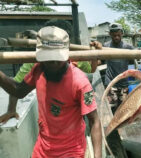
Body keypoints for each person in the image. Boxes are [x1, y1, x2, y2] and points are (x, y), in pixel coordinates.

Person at [0, 26, 102, 158]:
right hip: (43, 147)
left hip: (71, 150)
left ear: (66, 55)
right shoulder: (39, 69)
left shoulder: (80, 82)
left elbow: (94, 121)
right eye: (48, 59)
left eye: (57, 59)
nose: (53, 63)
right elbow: (19, 91)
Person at [0, 19, 99, 124]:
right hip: (51, 118)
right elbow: (17, 87)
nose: (54, 63)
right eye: (48, 61)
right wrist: (11, 110)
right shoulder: (35, 64)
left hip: (73, 118)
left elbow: (91, 69)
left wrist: (94, 54)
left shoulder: (76, 60)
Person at [104, 23, 134, 158]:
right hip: (110, 82)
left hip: (123, 83)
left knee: (122, 109)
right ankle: (114, 134)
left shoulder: (127, 47)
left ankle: (120, 131)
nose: (116, 36)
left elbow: (138, 54)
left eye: (118, 34)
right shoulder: (106, 46)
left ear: (121, 33)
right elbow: (98, 57)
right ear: (110, 34)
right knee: (111, 109)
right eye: (114, 34)